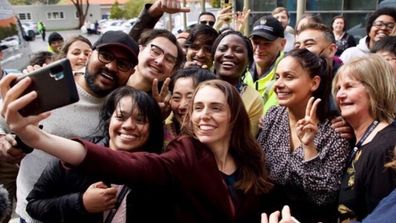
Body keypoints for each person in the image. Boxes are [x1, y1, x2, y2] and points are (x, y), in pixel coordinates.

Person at [1, 79, 277, 223]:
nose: (204, 115)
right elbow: (125, 164)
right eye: (198, 107)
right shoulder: (185, 153)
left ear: (234, 116)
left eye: (215, 107)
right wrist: (36, 137)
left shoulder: (250, 160)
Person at [0, 30, 139, 223]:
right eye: (106, 55)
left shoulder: (122, 109)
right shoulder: (48, 84)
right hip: (31, 211)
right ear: (90, 54)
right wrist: (5, 141)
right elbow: (6, 122)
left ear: (132, 73)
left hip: (81, 214)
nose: (111, 66)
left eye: (122, 64)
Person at [24, 86, 165, 223]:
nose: (128, 125)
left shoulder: (156, 173)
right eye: (121, 117)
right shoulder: (73, 156)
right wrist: (81, 203)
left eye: (140, 120)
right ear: (109, 119)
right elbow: (34, 205)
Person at [257, 49, 351, 223]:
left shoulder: (336, 130)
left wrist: (309, 148)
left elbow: (324, 196)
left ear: (314, 83)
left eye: (289, 77)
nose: (279, 84)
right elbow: (257, 169)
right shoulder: (273, 115)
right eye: (277, 77)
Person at [334, 55, 396, 221]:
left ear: (375, 89)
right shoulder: (356, 140)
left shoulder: (387, 149)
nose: (340, 95)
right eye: (338, 88)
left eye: (349, 86)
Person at [212, 30, 264, 136]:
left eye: (238, 50)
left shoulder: (253, 99)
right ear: (213, 56)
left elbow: (245, 143)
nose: (229, 54)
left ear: (249, 61)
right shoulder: (197, 85)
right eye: (223, 49)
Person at [243, 15, 286, 113]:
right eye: (256, 42)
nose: (259, 49)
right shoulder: (242, 67)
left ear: (282, 44)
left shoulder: (288, 72)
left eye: (267, 44)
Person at [166, 66, 216, 144]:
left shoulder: (221, 139)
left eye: (190, 98)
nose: (182, 106)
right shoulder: (160, 134)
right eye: (176, 97)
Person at [126, 29, 184, 93]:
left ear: (173, 71)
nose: (160, 61)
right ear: (140, 49)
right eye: (156, 52)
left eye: (169, 60)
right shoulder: (114, 79)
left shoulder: (164, 101)